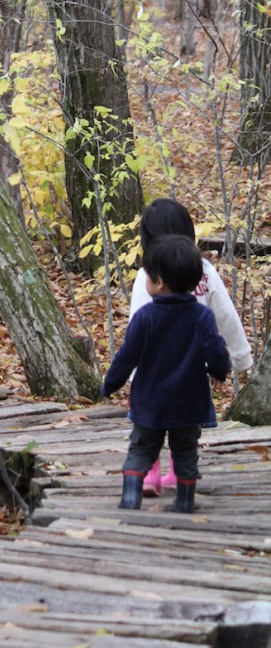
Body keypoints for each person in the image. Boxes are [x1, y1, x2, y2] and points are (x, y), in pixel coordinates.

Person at [130, 198, 252, 495]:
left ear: (148, 238)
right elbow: (226, 317)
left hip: (154, 371)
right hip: (192, 369)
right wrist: (242, 358)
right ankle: (178, 469)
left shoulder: (148, 276)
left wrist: (133, 373)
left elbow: (137, 326)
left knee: (147, 425)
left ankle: (151, 473)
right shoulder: (205, 271)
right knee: (185, 425)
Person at [102, 234, 231, 513]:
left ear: (158, 282)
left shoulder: (145, 317)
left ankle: (130, 497)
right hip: (189, 403)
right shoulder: (201, 317)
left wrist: (110, 384)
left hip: (150, 401)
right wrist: (221, 371)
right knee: (185, 451)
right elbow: (216, 350)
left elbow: (127, 356)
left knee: (141, 448)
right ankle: (185, 501)